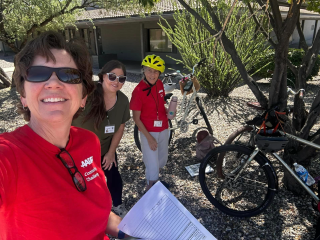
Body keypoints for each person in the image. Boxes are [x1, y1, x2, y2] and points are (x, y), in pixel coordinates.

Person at [0, 31, 128, 240]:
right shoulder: (9, 156)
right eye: (38, 73)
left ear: (83, 98)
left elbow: (98, 215)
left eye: (68, 74)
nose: (53, 83)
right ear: (23, 95)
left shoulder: (89, 142)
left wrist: (136, 233)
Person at [72, 60, 130, 218]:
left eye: (121, 78)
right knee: (84, 183)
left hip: (105, 148)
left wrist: (111, 152)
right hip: (80, 152)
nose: (116, 81)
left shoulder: (123, 101)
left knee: (114, 177)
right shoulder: (86, 95)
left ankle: (117, 205)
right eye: (112, 76)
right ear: (103, 76)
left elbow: (120, 127)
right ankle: (88, 212)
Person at [130, 54, 169, 191]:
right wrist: (149, 138)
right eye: (149, 70)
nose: (152, 74)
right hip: (149, 131)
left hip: (164, 127)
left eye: (156, 71)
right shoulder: (138, 91)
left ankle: (154, 178)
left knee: (161, 159)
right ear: (144, 71)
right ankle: (150, 187)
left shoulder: (159, 84)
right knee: (151, 162)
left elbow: (160, 104)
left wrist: (169, 111)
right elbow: (136, 118)